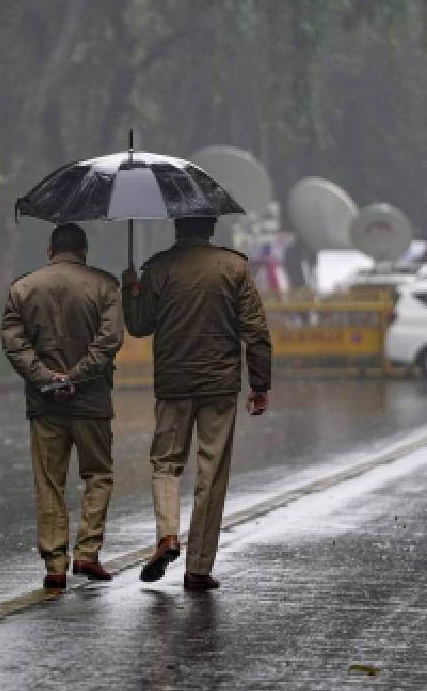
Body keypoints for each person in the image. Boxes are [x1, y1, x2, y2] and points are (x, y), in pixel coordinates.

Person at [121, 216, 272, 593]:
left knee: (166, 463)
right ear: (211, 228)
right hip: (219, 385)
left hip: (173, 383)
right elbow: (255, 331)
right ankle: (198, 568)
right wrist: (260, 384)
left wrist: (131, 287)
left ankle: (167, 536)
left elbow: (139, 326)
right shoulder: (233, 267)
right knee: (211, 471)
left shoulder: (158, 267)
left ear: (177, 228)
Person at [0, 223, 123, 590]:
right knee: (97, 475)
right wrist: (77, 376)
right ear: (83, 251)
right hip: (91, 402)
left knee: (49, 482)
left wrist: (46, 377)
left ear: (51, 250)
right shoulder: (105, 286)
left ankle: (55, 563)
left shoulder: (23, 288)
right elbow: (109, 341)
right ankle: (87, 551)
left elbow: (13, 342)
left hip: (44, 404)